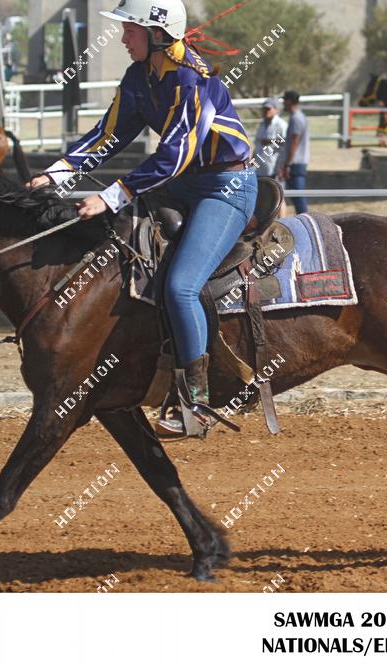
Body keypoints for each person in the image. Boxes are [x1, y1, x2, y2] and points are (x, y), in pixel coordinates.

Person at [26, 0, 257, 437]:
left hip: (225, 188)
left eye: (129, 30)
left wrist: (112, 196)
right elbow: (108, 134)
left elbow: (174, 155)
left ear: (157, 34)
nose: (122, 38)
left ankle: (196, 405)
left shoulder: (194, 79)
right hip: (182, 184)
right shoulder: (139, 76)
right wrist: (57, 172)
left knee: (180, 286)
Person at [277, 90, 310, 214]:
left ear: (290, 101)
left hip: (296, 162)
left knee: (298, 195)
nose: (283, 104)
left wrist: (287, 164)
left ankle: (304, 218)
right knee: (296, 196)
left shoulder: (296, 118)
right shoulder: (297, 117)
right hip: (296, 161)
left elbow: (294, 142)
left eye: (285, 101)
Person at [254, 98, 287, 178]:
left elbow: (286, 142)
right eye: (264, 109)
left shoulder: (281, 125)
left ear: (275, 110)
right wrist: (252, 161)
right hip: (259, 168)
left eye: (268, 109)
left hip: (274, 167)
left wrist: (270, 141)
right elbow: (257, 144)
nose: (266, 111)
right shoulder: (262, 124)